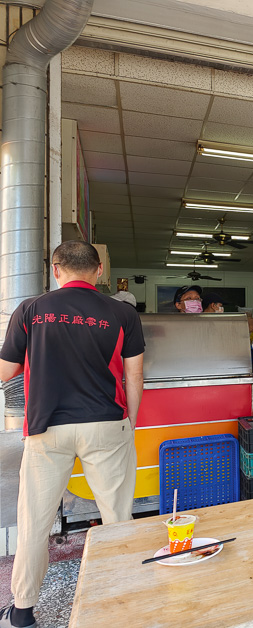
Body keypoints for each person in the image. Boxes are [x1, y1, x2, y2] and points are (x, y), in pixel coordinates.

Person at [0, 241, 144, 628]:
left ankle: (24, 610)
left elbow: (6, 371)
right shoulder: (122, 313)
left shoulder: (30, 310)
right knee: (117, 515)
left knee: (35, 520)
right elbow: (134, 374)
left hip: (47, 427)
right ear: (99, 272)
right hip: (106, 423)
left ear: (56, 269)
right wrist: (128, 422)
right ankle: (125, 599)